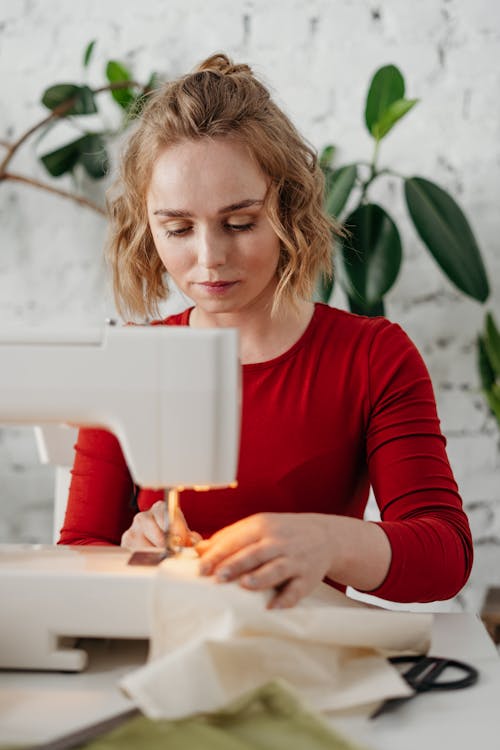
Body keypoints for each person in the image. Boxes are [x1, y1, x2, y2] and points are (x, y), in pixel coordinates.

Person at [59, 53, 473, 609]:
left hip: (307, 655)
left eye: (240, 223)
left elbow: (444, 556)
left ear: (289, 208)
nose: (209, 258)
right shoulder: (130, 362)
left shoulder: (372, 356)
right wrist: (128, 555)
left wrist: (326, 542)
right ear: (146, 227)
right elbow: (80, 550)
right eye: (178, 228)